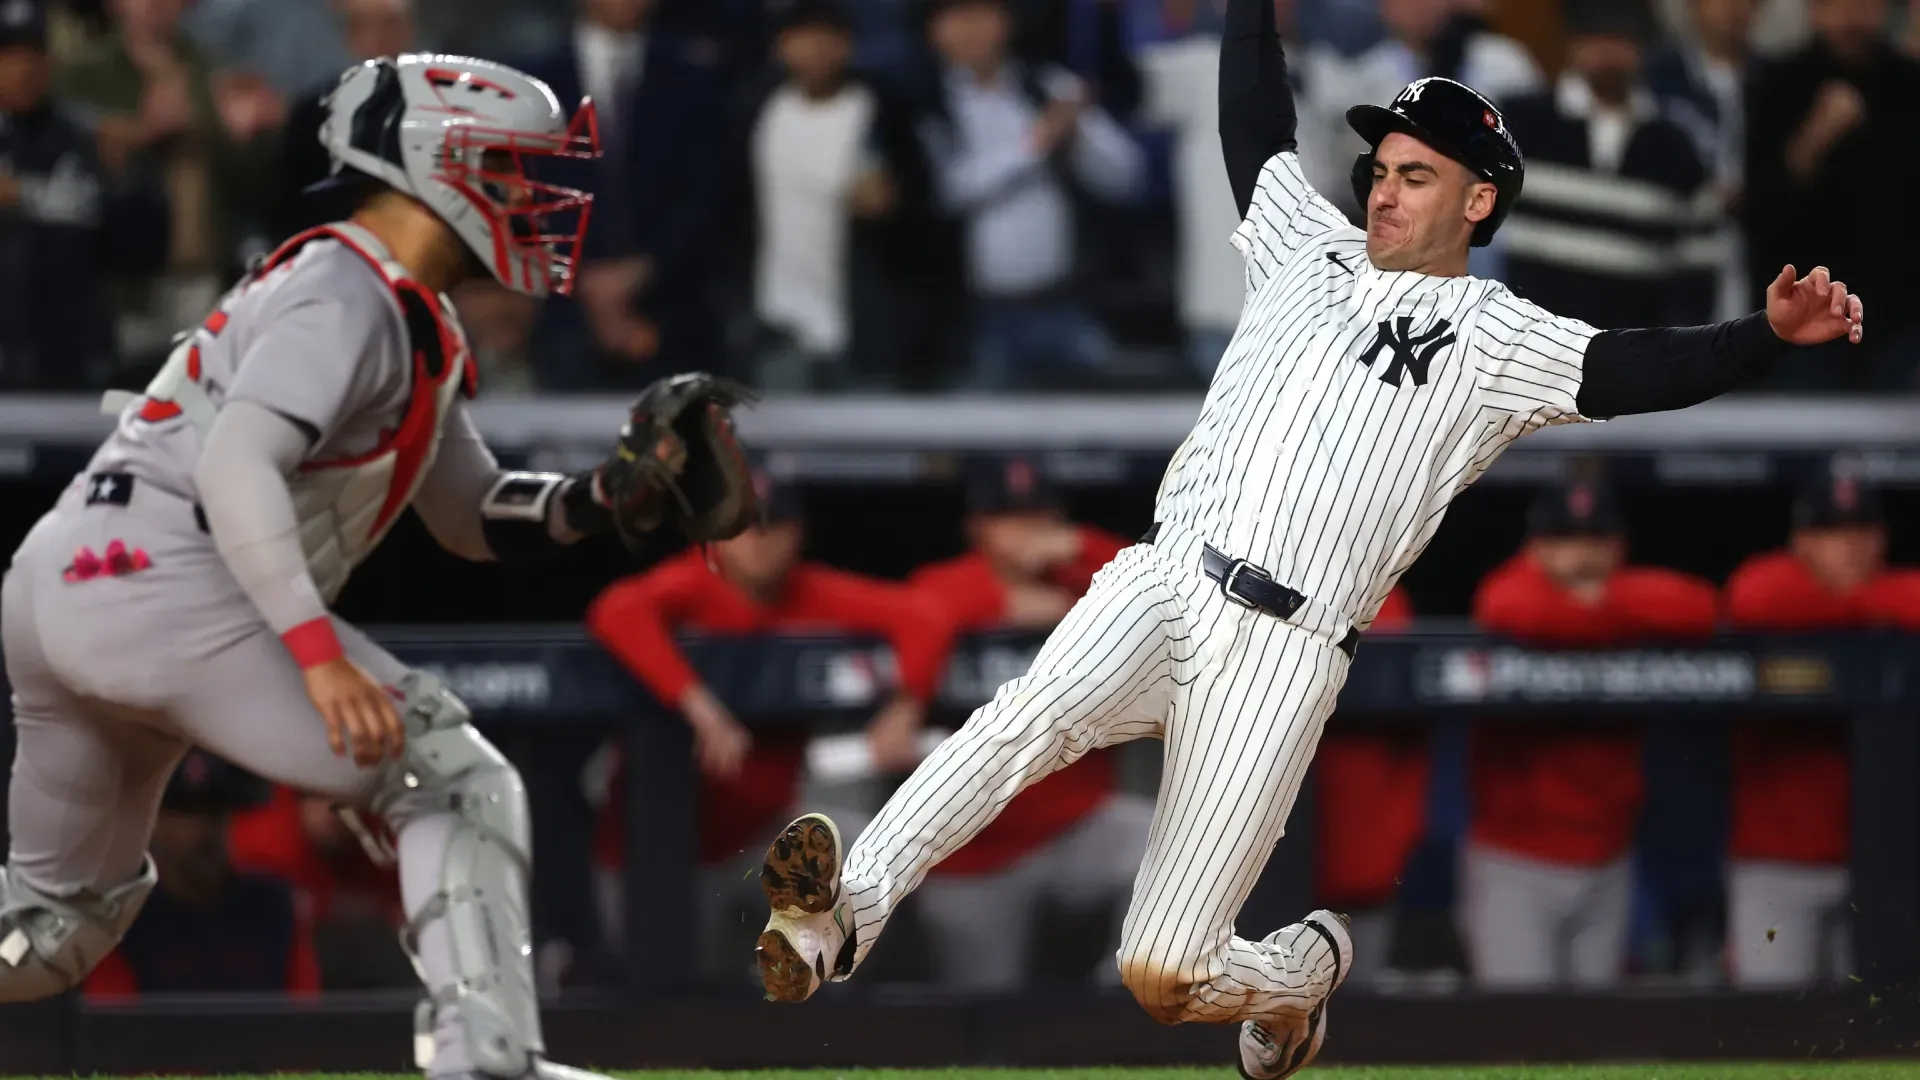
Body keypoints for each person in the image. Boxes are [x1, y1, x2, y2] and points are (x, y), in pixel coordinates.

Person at [737, 0, 1867, 1070]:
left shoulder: (1490, 334)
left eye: (1415, 175)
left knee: (1162, 969)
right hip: (1171, 574)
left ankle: (1299, 971)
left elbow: (1633, 369)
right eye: (1379, 170)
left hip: (1286, 649)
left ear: (1478, 201)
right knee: (1022, 719)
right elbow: (1253, 120)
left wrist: (1760, 335)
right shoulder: (1304, 248)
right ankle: (847, 912)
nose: (1383, 190)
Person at [0, 53, 756, 1080]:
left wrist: (603, 501)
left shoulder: (393, 303)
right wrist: (317, 655)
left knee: (47, 932)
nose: (533, 194)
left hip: (69, 579)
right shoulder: (350, 294)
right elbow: (237, 470)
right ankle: (484, 1061)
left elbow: (468, 515)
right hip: (167, 579)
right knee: (453, 780)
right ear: (432, 165)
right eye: (509, 168)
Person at [584, 470, 953, 981]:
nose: (759, 542)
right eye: (742, 527)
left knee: (857, 851)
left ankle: (816, 1030)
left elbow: (926, 616)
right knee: (658, 993)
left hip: (758, 836)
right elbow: (616, 610)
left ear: (797, 534)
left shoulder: (808, 592)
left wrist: (906, 707)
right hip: (654, 849)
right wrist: (700, 706)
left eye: (773, 527)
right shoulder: (693, 583)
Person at [1462, 482, 1718, 989]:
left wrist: (1598, 602)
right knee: (1518, 1036)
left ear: (1619, 548)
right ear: (1534, 548)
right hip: (1516, 861)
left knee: (1595, 1039)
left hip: (1607, 859)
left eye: (1596, 541)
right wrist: (1607, 612)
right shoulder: (1515, 588)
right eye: (1565, 541)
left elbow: (1704, 607)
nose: (1582, 556)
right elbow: (1508, 606)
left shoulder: (1627, 593)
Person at [907, 455, 1144, 990]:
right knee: (978, 1017)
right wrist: (1001, 601)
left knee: (1169, 838)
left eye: (1041, 517)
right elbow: (923, 606)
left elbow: (1165, 587)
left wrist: (1080, 553)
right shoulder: (945, 585)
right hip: (973, 848)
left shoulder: (1095, 580)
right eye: (1008, 518)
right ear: (976, 528)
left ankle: (1130, 995)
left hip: (1074, 826)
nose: (1028, 533)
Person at [1721, 473, 1920, 987]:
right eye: (1831, 532)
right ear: (1801, 541)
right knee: (1770, 1037)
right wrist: (1865, 610)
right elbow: (1751, 597)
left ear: (1882, 539)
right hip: (1775, 867)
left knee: (1881, 1040)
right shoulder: (1771, 587)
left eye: (1861, 531)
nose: (1849, 545)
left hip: (1884, 870)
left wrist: (1848, 607)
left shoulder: (1897, 590)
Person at [1498, 0, 1718, 331]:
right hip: (1522, 350)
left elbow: (1699, 268)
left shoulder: (1675, 147)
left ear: (1643, 47)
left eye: (1621, 39)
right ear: (1573, 43)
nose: (1608, 52)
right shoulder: (1518, 123)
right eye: (1595, 37)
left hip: (1634, 358)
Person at [1743, 0, 1920, 389]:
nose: (1850, 19)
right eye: (1836, 6)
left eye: (1862, 6)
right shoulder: (1776, 82)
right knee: (1800, 439)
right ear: (1814, 11)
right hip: (1805, 317)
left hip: (1899, 319)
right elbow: (1760, 209)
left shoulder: (1909, 83)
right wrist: (1816, 137)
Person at [0, 0, 168, 391]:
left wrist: (127, 182)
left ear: (49, 61)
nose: (22, 67)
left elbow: (140, 253)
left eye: (32, 54)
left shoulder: (86, 139)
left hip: (76, 358)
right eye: (8, 54)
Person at [83, 750, 321, 1000]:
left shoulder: (274, 906)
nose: (204, 828)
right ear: (154, 824)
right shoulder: (124, 919)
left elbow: (303, 1017)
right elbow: (110, 1026)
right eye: (186, 812)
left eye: (215, 811)